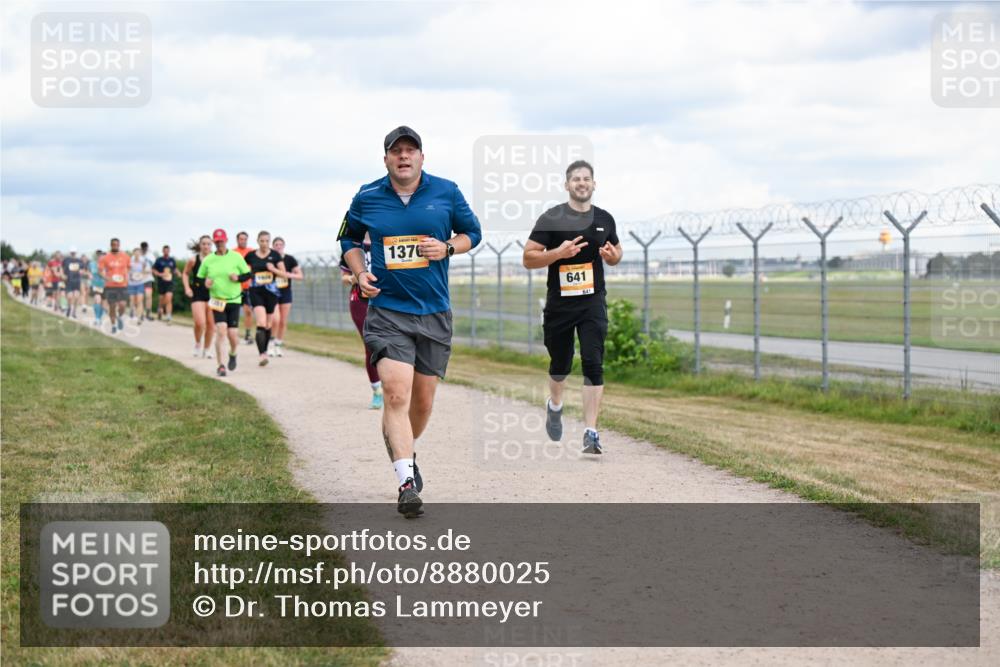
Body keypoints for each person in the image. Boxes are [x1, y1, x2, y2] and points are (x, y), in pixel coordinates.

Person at [339, 125, 482, 517]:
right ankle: (405, 481)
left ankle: (406, 450)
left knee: (422, 400)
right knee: (396, 394)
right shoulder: (367, 196)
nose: (404, 156)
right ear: (385, 158)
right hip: (388, 311)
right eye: (396, 151)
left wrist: (448, 246)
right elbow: (348, 239)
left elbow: (474, 233)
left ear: (422, 158)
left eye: (410, 151)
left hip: (434, 311)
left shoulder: (446, 191)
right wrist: (358, 271)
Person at [521, 160, 623, 455]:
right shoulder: (552, 218)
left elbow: (616, 252)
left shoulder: (605, 219)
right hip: (560, 305)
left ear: (594, 184)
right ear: (567, 185)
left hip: (592, 301)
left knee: (593, 361)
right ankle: (555, 405)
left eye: (586, 178)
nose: (581, 183)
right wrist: (558, 253)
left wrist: (612, 256)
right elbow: (528, 258)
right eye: (576, 179)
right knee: (560, 365)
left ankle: (591, 432)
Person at [197, 229, 252, 376]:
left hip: (234, 300)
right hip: (217, 300)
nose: (220, 243)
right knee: (221, 331)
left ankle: (233, 353)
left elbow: (248, 274)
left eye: (222, 241)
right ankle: (221, 365)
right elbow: (200, 278)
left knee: (233, 335)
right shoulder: (208, 259)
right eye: (217, 241)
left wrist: (238, 278)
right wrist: (205, 283)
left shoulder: (236, 257)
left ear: (226, 240)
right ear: (214, 242)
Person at [338, 227, 383, 408]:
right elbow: (343, 277)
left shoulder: (385, 240)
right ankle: (377, 389)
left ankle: (395, 384)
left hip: (387, 299)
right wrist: (353, 278)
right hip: (360, 300)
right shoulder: (352, 245)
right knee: (370, 344)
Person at [244, 231, 290, 366]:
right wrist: (243, 275)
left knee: (269, 324)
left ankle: (265, 349)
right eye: (262, 241)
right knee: (261, 322)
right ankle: (262, 354)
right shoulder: (251, 255)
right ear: (257, 241)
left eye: (266, 241)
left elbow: (284, 274)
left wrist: (273, 270)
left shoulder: (275, 255)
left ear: (269, 242)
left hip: (271, 292)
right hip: (255, 291)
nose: (264, 243)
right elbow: (244, 270)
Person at [270, 236, 303, 357]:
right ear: (273, 246)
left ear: (283, 246)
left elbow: (300, 276)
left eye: (280, 244)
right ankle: (271, 344)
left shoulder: (290, 259)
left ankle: (278, 345)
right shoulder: (270, 259)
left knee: (283, 321)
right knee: (275, 320)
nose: (278, 247)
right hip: (272, 292)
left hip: (285, 292)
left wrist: (287, 275)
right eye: (276, 245)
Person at [183, 235, 216, 358]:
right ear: (200, 245)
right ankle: (198, 343)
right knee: (200, 323)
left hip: (214, 293)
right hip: (197, 292)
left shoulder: (216, 259)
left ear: (211, 245)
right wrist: (187, 288)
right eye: (204, 244)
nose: (206, 246)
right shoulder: (193, 260)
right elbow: (185, 274)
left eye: (208, 244)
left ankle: (207, 349)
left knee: (211, 324)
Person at [99, 238, 131, 333]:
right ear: (111, 245)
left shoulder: (125, 257)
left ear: (119, 245)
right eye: (113, 244)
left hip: (122, 284)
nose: (115, 246)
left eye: (117, 244)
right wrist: (106, 278)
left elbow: (129, 268)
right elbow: (100, 271)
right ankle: (113, 326)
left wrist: (126, 277)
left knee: (123, 305)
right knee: (112, 306)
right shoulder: (105, 258)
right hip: (110, 285)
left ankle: (119, 317)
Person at [233, 231, 254, 345]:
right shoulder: (233, 252)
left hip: (248, 286)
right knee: (234, 311)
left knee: (248, 312)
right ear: (237, 240)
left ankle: (247, 334)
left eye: (245, 239)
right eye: (241, 239)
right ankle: (233, 334)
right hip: (235, 287)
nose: (243, 241)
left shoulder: (251, 252)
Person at [153, 245, 177, 323]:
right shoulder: (159, 260)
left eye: (168, 250)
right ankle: (160, 308)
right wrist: (159, 274)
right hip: (161, 282)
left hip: (170, 282)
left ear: (169, 251)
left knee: (169, 297)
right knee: (162, 299)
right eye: (165, 250)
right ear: (163, 251)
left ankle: (169, 315)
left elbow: (174, 269)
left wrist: (179, 273)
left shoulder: (172, 260)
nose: (166, 252)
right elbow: (153, 269)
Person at [61, 247, 84, 318]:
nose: (73, 254)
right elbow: (62, 268)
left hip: (77, 281)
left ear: (76, 253)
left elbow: (82, 269)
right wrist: (62, 275)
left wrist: (81, 272)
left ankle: (74, 311)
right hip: (69, 281)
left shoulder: (79, 261)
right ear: (70, 253)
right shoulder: (66, 260)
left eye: (74, 253)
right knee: (70, 296)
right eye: (72, 253)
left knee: (76, 296)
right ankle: (69, 307)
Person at [128, 247, 147, 323]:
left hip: (140, 283)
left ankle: (139, 318)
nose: (137, 254)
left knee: (140, 301)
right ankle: (131, 310)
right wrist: (131, 276)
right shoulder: (130, 262)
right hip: (131, 284)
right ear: (133, 253)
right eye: (136, 252)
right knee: (132, 301)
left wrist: (141, 276)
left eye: (138, 252)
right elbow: (127, 272)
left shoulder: (142, 263)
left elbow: (144, 272)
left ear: (140, 254)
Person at [140, 241, 156, 320]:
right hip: (139, 280)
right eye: (143, 248)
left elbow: (154, 267)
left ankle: (148, 313)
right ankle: (141, 313)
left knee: (148, 296)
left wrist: (150, 271)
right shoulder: (137, 255)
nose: (144, 249)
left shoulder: (151, 256)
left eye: (145, 248)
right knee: (141, 297)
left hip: (148, 279)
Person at [89, 250, 106, 328]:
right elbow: (89, 271)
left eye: (102, 255)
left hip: (105, 285)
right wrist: (89, 275)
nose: (101, 256)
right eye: (99, 255)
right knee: (97, 299)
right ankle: (97, 318)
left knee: (103, 303)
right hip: (96, 284)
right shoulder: (92, 264)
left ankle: (99, 317)